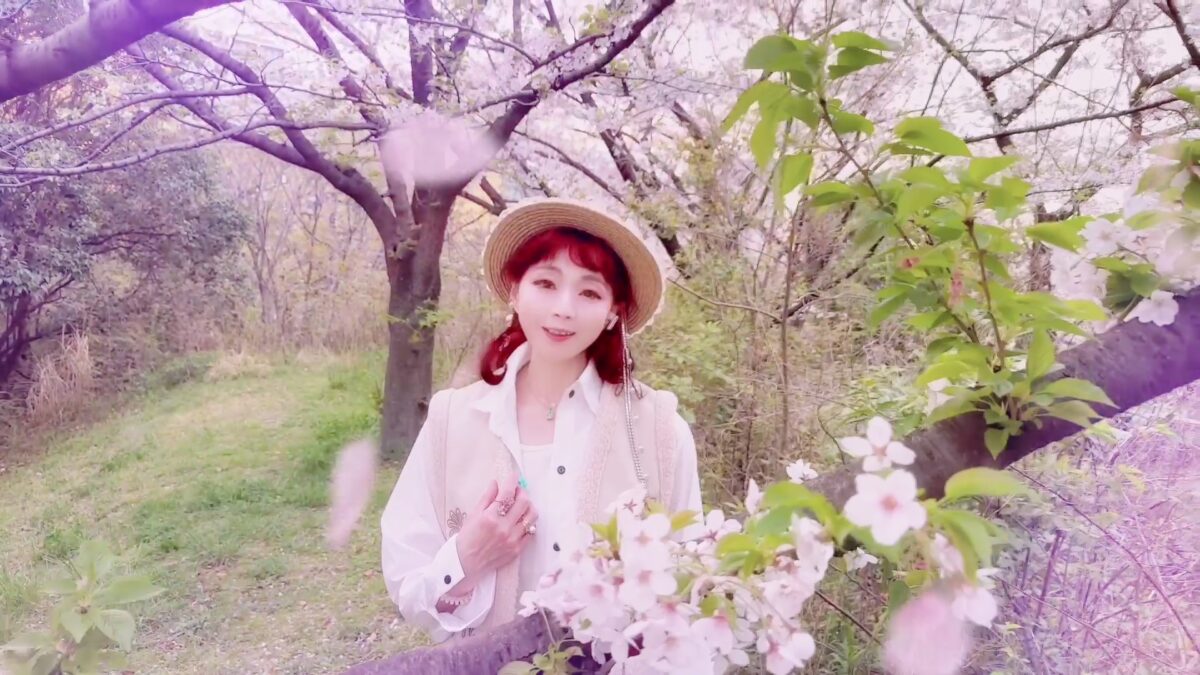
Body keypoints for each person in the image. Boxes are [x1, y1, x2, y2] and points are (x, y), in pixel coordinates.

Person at [380, 198, 703, 642]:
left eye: (589, 292)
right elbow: (409, 585)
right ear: (515, 290)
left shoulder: (660, 431)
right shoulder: (451, 420)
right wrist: (467, 559)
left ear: (613, 311)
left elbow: (690, 586)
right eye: (546, 283)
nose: (564, 308)